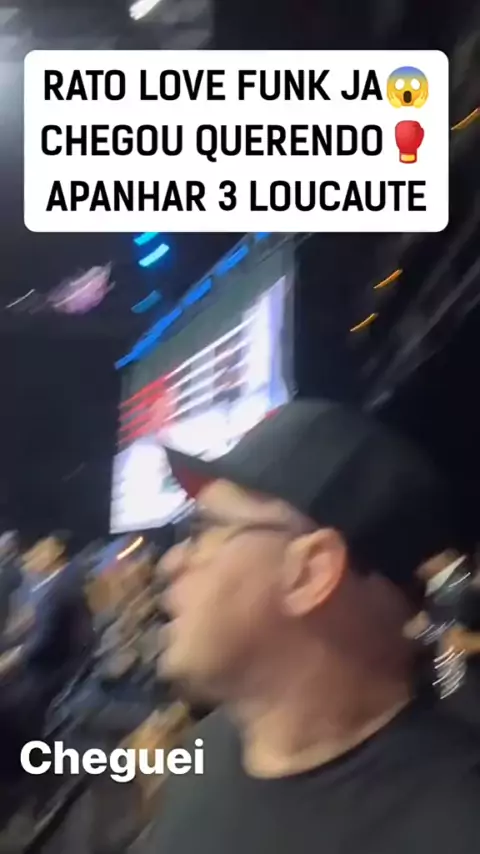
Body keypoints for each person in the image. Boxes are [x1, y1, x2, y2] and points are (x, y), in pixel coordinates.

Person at [147, 400, 480, 854]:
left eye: (200, 531)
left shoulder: (455, 828)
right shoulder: (203, 749)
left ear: (310, 572)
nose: (170, 563)